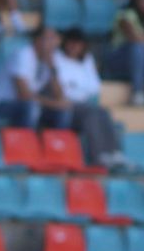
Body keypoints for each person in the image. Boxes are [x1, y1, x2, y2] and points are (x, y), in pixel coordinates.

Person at [51, 28, 125, 169]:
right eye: (71, 43)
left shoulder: (87, 61)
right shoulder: (56, 58)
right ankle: (99, 155)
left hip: (84, 103)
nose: (74, 47)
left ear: (83, 46)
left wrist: (74, 88)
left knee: (103, 112)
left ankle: (114, 152)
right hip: (67, 105)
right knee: (90, 115)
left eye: (77, 44)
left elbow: (94, 87)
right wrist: (77, 90)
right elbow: (61, 88)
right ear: (65, 43)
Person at [0, 24, 69, 131]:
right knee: (32, 107)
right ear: (37, 40)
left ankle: (56, 146)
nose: (53, 43)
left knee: (63, 112)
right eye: (50, 39)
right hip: (1, 104)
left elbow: (59, 95)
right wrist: (54, 104)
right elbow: (23, 95)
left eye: (55, 39)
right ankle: (25, 145)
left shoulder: (50, 60)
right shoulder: (23, 55)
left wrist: (52, 68)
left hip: (27, 104)